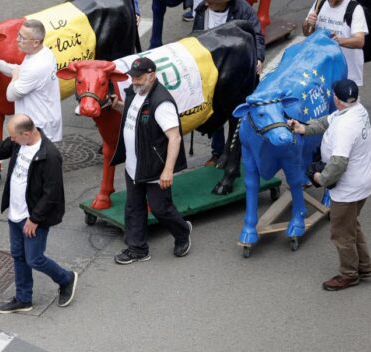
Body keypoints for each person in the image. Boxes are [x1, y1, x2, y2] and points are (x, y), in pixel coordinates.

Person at [0, 114, 79, 313]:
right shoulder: (19, 143)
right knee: (18, 256)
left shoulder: (49, 155)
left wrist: (35, 219)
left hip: (32, 218)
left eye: (14, 137)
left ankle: (66, 278)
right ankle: (23, 299)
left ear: (26, 133)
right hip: (15, 214)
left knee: (34, 259)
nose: (11, 140)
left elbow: (52, 193)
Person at [288, 79, 371, 291]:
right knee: (352, 225)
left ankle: (349, 274)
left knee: (341, 232)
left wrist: (320, 179)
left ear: (337, 99)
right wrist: (303, 128)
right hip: (361, 183)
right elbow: (326, 121)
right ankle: (365, 266)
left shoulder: (345, 127)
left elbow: (338, 163)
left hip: (348, 189)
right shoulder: (356, 109)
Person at [110, 57, 193, 264]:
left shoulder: (161, 102)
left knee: (160, 208)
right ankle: (137, 249)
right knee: (133, 206)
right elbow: (133, 112)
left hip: (154, 169)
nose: (134, 81)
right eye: (133, 77)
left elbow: (174, 137)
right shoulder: (136, 93)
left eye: (138, 77)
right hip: (134, 166)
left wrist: (168, 170)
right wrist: (117, 106)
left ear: (152, 75)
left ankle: (182, 232)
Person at [193, 0, 265, 165]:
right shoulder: (201, 11)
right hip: (211, 72)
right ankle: (217, 153)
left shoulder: (244, 11)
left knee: (236, 116)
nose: (207, 4)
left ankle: (235, 154)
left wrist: (258, 57)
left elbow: (257, 36)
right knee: (214, 113)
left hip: (235, 75)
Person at [0, 19, 63, 142]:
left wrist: (15, 77)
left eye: (22, 38)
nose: (17, 40)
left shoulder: (36, 67)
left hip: (37, 127)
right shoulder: (43, 53)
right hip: (42, 121)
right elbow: (21, 71)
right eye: (18, 35)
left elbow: (10, 95)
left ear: (36, 42)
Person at [303, 0, 368, 87]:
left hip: (346, 73)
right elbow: (307, 32)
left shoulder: (354, 8)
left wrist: (339, 41)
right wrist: (308, 24)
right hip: (321, 69)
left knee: (343, 100)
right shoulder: (319, 3)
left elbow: (359, 41)